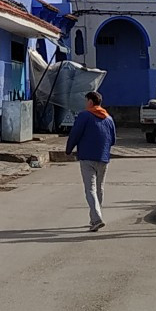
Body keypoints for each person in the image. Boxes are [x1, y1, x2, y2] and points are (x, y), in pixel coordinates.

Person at [65, 90, 116, 231]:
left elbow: (75, 133)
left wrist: (69, 149)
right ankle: (95, 217)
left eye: (86, 101)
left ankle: (96, 218)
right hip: (103, 157)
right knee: (99, 188)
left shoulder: (84, 116)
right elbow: (113, 140)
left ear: (90, 102)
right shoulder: (108, 118)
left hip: (87, 157)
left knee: (90, 189)